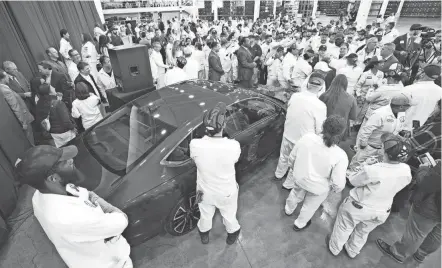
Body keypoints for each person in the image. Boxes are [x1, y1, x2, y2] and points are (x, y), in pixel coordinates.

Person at [14, 145, 132, 267]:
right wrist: (104, 205)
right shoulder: (67, 218)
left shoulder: (39, 196)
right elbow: (121, 220)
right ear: (53, 178)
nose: (71, 160)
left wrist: (93, 199)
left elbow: (85, 194)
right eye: (65, 162)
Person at [327, 134, 412, 258]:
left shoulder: (373, 170)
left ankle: (334, 248)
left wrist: (365, 165)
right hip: (383, 210)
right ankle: (352, 250)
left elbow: (353, 180)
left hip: (359, 207)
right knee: (363, 231)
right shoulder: (406, 170)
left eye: (382, 147)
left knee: (344, 227)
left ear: (386, 152)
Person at [190, 102, 241, 245]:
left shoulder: (195, 144)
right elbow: (235, 159)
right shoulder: (233, 146)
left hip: (204, 192)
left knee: (205, 215)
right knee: (229, 215)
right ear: (223, 125)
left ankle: (204, 235)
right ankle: (232, 235)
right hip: (226, 192)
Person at [284, 115, 348, 231]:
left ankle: (288, 209)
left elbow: (292, 157)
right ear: (340, 134)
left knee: (295, 193)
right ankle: (299, 223)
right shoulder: (340, 156)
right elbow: (338, 184)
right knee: (310, 206)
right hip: (319, 188)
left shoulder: (307, 138)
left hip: (300, 177)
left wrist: (294, 169)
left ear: (323, 126)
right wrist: (334, 189)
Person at [376, 161, 441, 264]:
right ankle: (420, 254)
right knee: (438, 233)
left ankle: (398, 253)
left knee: (416, 232)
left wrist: (423, 168)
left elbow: (425, 182)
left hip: (429, 208)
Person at [273, 73, 327, 189]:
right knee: (297, 163)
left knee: (283, 156)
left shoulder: (295, 96)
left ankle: (278, 174)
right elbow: (320, 128)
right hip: (303, 141)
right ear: (321, 88)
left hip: (288, 133)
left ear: (307, 84)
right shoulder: (320, 106)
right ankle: (288, 185)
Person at [347, 93, 411, 176]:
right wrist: (363, 143)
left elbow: (396, 128)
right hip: (370, 146)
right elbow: (367, 129)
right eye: (407, 106)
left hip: (384, 147)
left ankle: (361, 178)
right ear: (401, 107)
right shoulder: (380, 113)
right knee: (358, 162)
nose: (408, 108)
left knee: (371, 166)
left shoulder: (401, 113)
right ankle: (350, 176)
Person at [402, 65, 442, 130]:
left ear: (422, 74)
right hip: (416, 127)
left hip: (399, 126)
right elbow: (435, 111)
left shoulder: (409, 89)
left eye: (420, 70)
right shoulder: (440, 91)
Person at [0, 70, 34, 145]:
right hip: (22, 118)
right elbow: (15, 107)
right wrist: (23, 122)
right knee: (29, 139)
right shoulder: (5, 90)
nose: (8, 77)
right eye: (6, 76)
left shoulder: (5, 87)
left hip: (21, 117)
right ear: (2, 79)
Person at [319, 74, 357, 138]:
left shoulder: (324, 96)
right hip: (340, 130)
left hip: (324, 127)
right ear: (346, 84)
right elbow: (353, 117)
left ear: (333, 82)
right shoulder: (351, 98)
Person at [354, 58, 385, 126]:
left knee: (367, 115)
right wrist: (359, 96)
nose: (383, 64)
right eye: (380, 63)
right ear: (374, 65)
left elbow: (381, 85)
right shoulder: (365, 74)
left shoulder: (381, 74)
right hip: (362, 97)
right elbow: (358, 85)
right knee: (357, 114)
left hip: (373, 98)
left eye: (383, 63)